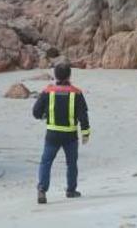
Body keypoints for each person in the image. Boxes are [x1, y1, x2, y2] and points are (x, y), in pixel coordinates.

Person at [32, 63, 91, 204]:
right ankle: (71, 190)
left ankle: (42, 190)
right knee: (71, 164)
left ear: (55, 75)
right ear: (69, 75)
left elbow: (36, 112)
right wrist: (85, 133)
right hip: (70, 136)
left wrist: (44, 115)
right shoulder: (76, 93)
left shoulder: (48, 91)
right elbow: (83, 115)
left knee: (46, 162)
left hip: (52, 134)